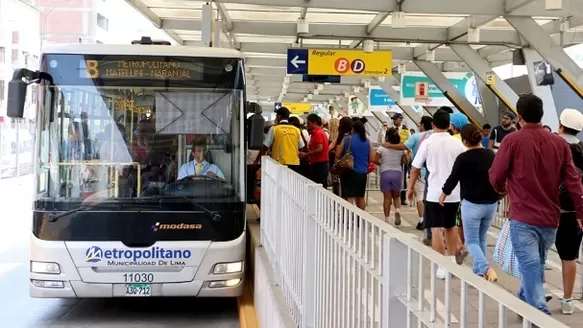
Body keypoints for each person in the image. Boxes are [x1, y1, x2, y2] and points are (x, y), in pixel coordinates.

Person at [489, 94, 583, 316]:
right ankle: (525, 300)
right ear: (541, 115)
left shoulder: (512, 141)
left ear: (519, 116)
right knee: (536, 262)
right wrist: (580, 212)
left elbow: (495, 175)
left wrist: (501, 189)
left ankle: (540, 312)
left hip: (523, 217)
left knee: (531, 263)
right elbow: (574, 182)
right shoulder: (559, 143)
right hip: (551, 218)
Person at [407, 110, 467, 279]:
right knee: (451, 227)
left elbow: (415, 168)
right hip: (454, 193)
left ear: (433, 125)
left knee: (436, 230)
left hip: (433, 194)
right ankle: (451, 262)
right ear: (449, 125)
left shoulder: (427, 142)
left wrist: (410, 188)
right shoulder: (458, 144)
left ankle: (442, 267)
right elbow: (465, 164)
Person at [439, 124, 500, 282]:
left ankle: (486, 268)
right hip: (491, 204)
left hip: (472, 204)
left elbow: (453, 179)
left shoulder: (463, 158)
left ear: (465, 141)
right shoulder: (491, 155)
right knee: (482, 236)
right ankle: (478, 271)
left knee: (471, 240)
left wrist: (443, 194)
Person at [381, 116, 433, 235]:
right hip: (436, 170)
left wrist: (389, 146)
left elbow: (404, 147)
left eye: (420, 124)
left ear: (424, 125)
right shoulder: (436, 136)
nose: (419, 126)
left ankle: (422, 220)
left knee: (420, 197)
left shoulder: (416, 136)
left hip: (420, 170)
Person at [555, 108, 583, 314]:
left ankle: (535, 294)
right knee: (570, 256)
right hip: (575, 211)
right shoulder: (582, 150)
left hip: (548, 209)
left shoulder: (552, 145)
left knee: (536, 254)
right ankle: (567, 300)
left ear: (560, 125)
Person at [335, 120, 374, 210]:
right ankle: (361, 219)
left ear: (353, 129)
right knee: (360, 196)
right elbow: (372, 159)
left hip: (349, 171)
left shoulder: (347, 139)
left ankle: (349, 219)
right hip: (362, 173)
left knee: (349, 196)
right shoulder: (368, 142)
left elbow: (337, 154)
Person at [254, 107, 305, 173]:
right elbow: (301, 147)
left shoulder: (275, 129)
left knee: (279, 182)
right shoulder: (296, 129)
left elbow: (265, 147)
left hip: (279, 163)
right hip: (294, 163)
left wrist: (257, 161)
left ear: (279, 116)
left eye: (276, 115)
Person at [374, 127, 407, 225]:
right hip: (397, 172)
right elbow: (404, 161)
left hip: (385, 172)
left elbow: (375, 160)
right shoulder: (400, 148)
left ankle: (387, 219)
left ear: (387, 137)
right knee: (396, 196)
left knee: (387, 197)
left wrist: (382, 164)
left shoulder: (381, 148)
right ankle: (397, 210)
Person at [301, 113, 329, 186]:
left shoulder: (318, 133)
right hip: (320, 163)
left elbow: (319, 149)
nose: (307, 125)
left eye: (309, 123)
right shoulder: (318, 133)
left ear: (315, 123)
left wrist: (306, 154)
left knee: (319, 186)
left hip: (320, 164)